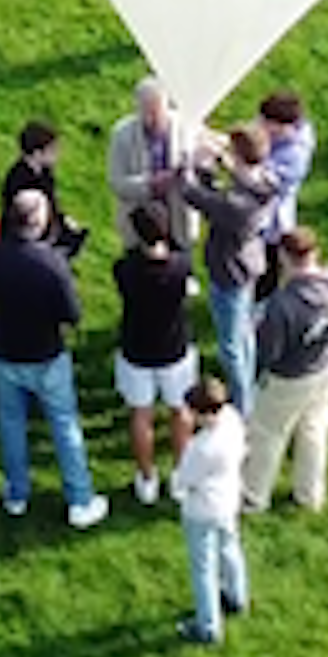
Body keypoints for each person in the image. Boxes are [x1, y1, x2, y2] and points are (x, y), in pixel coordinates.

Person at [0, 188, 108, 529]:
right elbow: (72, 315)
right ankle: (80, 500)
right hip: (46, 355)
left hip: (4, 352)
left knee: (11, 424)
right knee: (64, 424)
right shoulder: (52, 263)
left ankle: (16, 494)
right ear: (39, 222)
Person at [241, 227, 328, 514]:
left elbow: (269, 352)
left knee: (267, 434)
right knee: (315, 427)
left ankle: (253, 495)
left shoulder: (282, 304)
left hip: (290, 378)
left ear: (283, 257)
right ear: (315, 252)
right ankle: (309, 494)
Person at [181, 123, 274, 416]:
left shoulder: (237, 206)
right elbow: (238, 180)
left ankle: (243, 408)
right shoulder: (266, 181)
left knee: (230, 346)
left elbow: (194, 195)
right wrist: (222, 159)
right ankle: (251, 389)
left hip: (229, 271)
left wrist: (193, 165)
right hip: (250, 264)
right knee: (245, 333)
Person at [111, 199, 197, 505]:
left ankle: (147, 478)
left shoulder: (125, 269)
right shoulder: (180, 267)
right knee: (180, 411)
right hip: (174, 350)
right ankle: (181, 476)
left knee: (140, 414)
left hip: (136, 349)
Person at [169, 375, 248, 646]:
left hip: (202, 510)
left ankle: (208, 627)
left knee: (203, 568)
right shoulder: (233, 420)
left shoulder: (201, 447)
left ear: (202, 414)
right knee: (230, 548)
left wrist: (176, 484)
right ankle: (237, 596)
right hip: (229, 500)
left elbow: (183, 480)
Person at [108, 78, 194, 254]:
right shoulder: (121, 135)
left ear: (167, 106)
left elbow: (197, 170)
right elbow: (116, 182)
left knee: (179, 266)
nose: (153, 119)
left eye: (157, 112)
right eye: (147, 113)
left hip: (177, 222)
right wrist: (150, 184)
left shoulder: (185, 127)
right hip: (141, 229)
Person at [255, 90, 315, 297]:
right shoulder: (274, 129)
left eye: (266, 123)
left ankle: (262, 306)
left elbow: (263, 180)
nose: (259, 125)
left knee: (266, 270)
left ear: (283, 126)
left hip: (273, 221)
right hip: (259, 214)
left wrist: (231, 161)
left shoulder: (296, 154)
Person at [2, 120, 88, 261]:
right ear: (37, 153)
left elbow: (52, 202)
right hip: (26, 239)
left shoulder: (46, 174)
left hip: (46, 233)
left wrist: (63, 220)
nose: (57, 154)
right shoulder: (18, 178)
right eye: (52, 150)